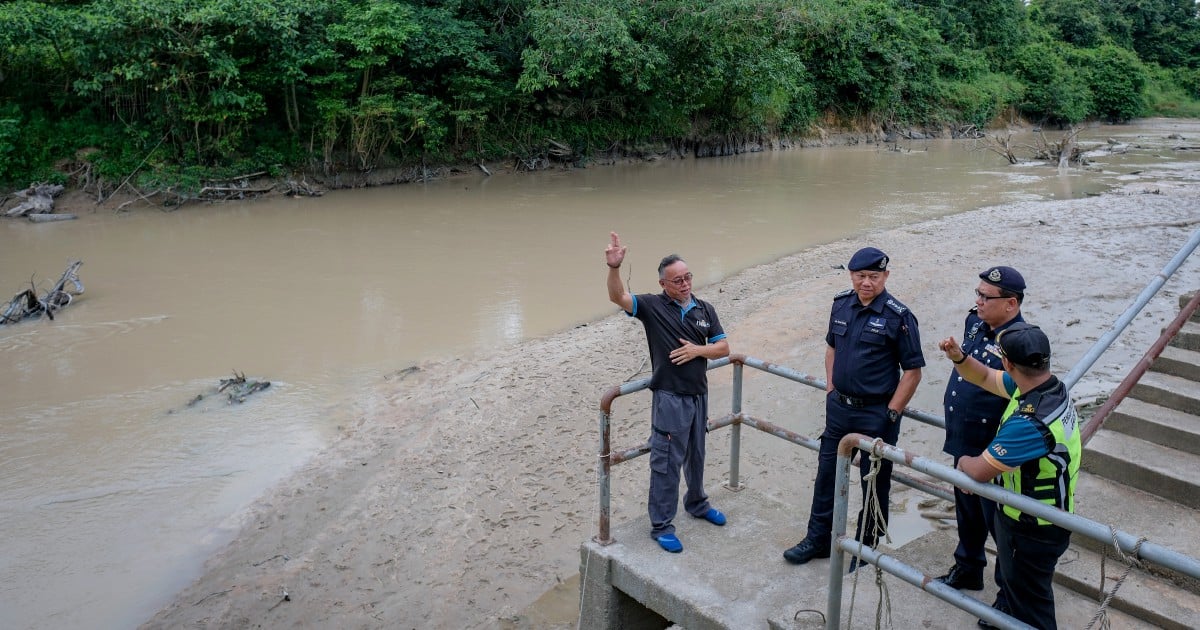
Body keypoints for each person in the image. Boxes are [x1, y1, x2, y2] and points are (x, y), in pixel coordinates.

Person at [783, 247, 924, 569]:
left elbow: (913, 372)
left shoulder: (898, 316)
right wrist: (831, 388)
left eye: (874, 277)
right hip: (840, 410)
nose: (866, 283)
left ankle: (865, 549)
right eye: (860, 276)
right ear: (851, 275)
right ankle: (817, 540)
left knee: (873, 482)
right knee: (827, 476)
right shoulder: (841, 305)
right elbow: (831, 348)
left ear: (885, 277)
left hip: (877, 413)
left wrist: (892, 414)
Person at [940, 323, 1081, 630]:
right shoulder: (1049, 388)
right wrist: (960, 358)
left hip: (1030, 528)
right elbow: (986, 377)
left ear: (1008, 363)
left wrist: (962, 461)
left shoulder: (1031, 422)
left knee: (1032, 610)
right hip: (1049, 518)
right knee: (1026, 599)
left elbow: (979, 470)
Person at [605, 232, 730, 553]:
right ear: (664, 284)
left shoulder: (705, 309)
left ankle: (698, 504)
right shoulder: (651, 307)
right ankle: (661, 525)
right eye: (677, 281)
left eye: (688, 277)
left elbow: (723, 348)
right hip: (670, 398)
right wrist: (614, 268)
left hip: (699, 395)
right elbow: (618, 297)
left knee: (698, 455)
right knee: (666, 462)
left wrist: (697, 352)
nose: (685, 284)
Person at [934, 266, 1027, 609]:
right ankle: (968, 568)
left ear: (1011, 303)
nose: (978, 301)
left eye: (986, 297)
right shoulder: (975, 322)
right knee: (967, 511)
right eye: (977, 293)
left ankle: (1008, 599)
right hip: (963, 434)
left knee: (999, 523)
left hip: (993, 444)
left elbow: (1019, 394)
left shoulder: (1020, 341)